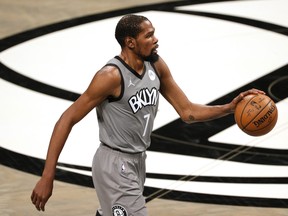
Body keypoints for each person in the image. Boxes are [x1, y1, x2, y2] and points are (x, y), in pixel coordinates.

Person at [31, 14, 264, 215]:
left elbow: (188, 111)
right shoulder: (110, 76)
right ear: (130, 42)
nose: (156, 39)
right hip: (114, 164)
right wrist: (47, 175)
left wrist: (229, 108)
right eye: (149, 35)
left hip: (137, 161)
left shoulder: (156, 65)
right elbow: (67, 119)